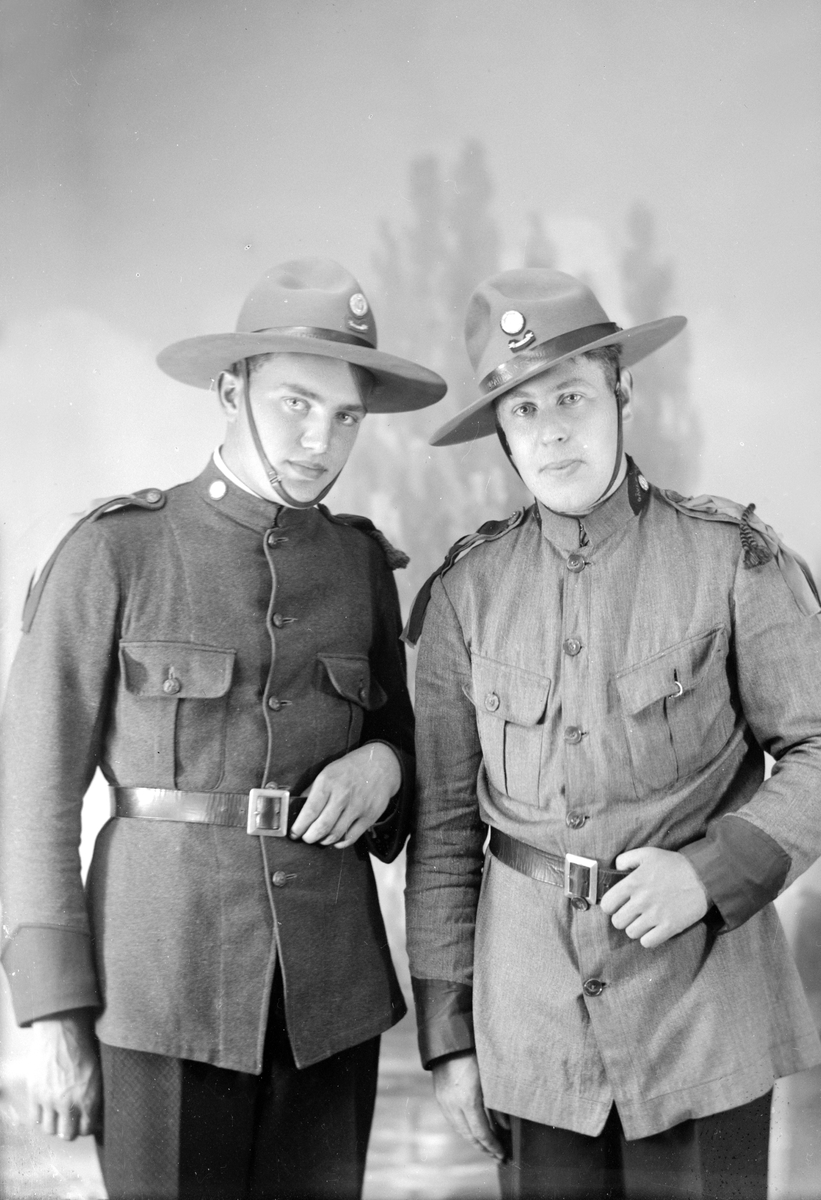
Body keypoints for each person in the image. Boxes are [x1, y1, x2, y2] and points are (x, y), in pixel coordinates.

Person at [0, 257, 446, 1199]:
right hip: (162, 991)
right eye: (295, 403)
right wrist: (52, 1017)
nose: (320, 440)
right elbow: (30, 798)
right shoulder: (115, 553)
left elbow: (410, 746)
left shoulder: (359, 565)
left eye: (346, 417)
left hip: (329, 996)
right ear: (231, 392)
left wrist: (385, 767)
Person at [404, 267, 821, 1199]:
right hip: (532, 1027)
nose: (551, 430)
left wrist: (710, 874)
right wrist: (449, 1038)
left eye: (571, 397)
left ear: (621, 391)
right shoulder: (465, 595)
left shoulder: (729, 559)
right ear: (501, 432)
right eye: (523, 409)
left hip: (704, 1014)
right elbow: (443, 834)